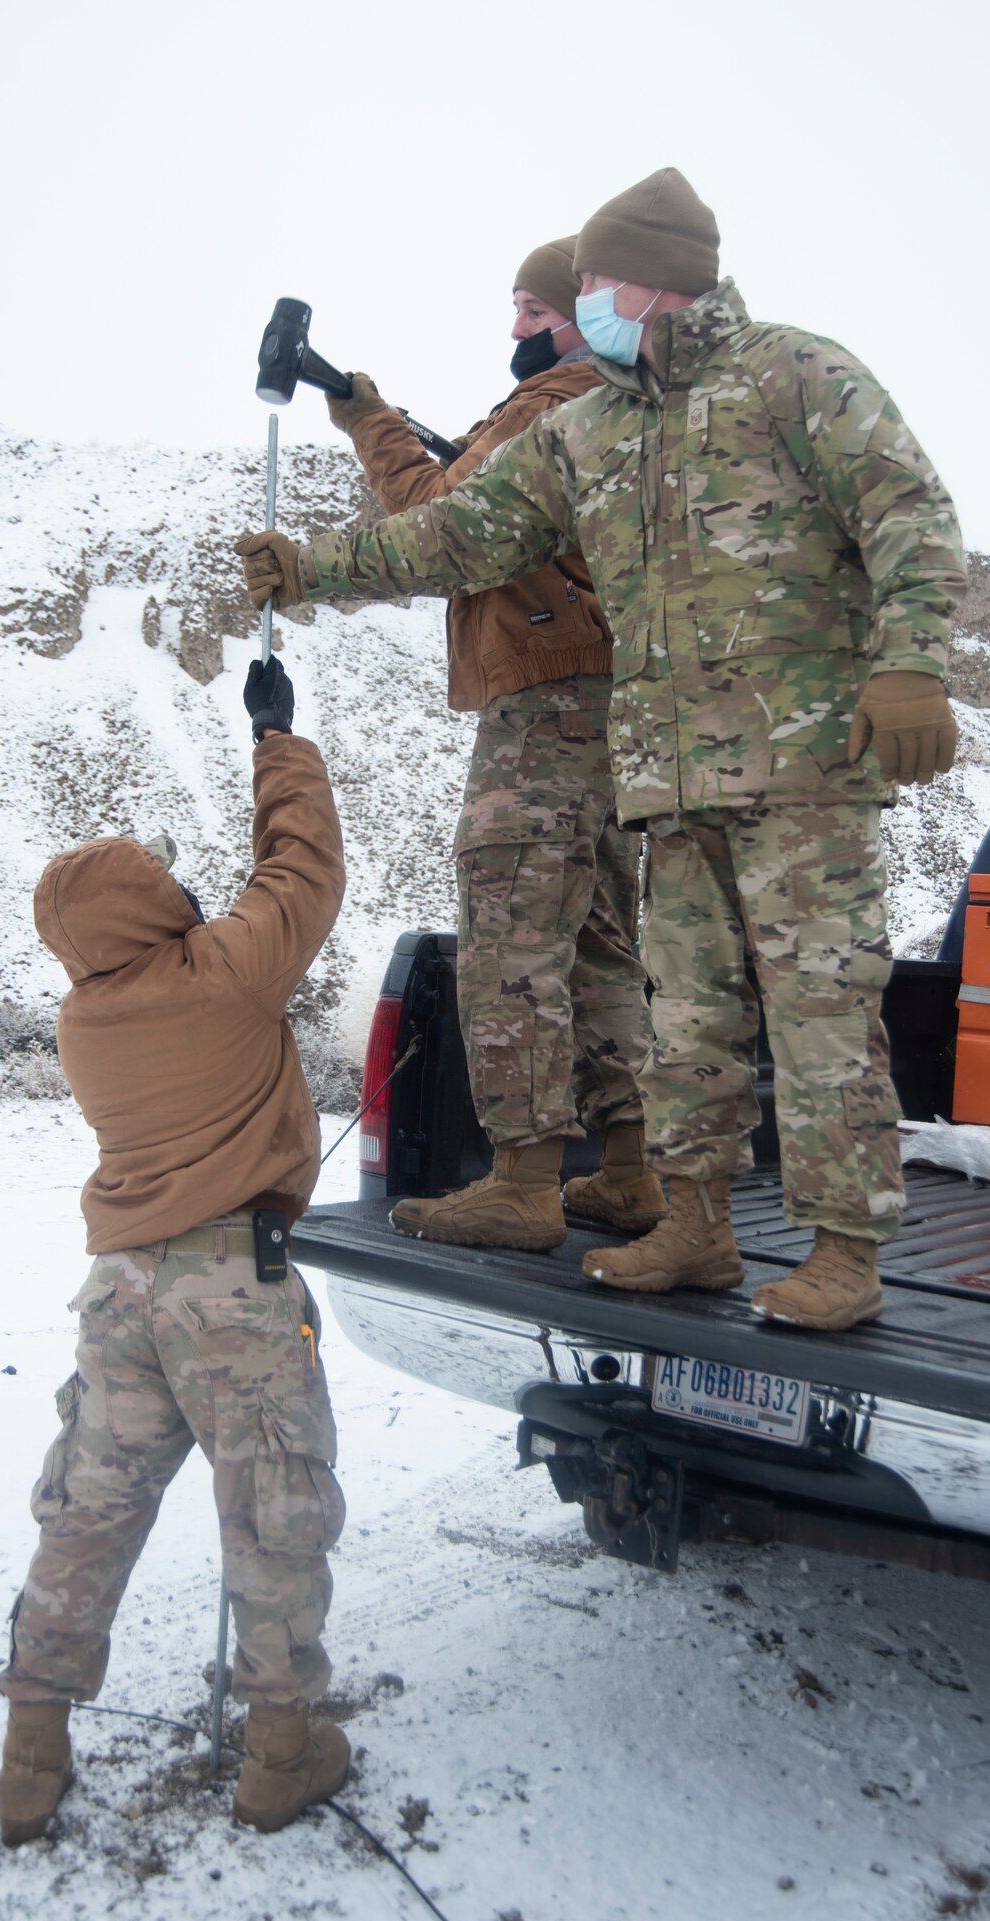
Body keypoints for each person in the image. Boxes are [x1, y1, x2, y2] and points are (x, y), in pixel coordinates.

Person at [240, 169, 967, 1334]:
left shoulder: (797, 374)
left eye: (592, 279)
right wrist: (311, 568)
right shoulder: (588, 427)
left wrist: (913, 661)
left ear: (663, 276)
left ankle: (843, 1250)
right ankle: (695, 1224)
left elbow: (909, 514)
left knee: (822, 1007)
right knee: (690, 1019)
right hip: (664, 777)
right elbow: (459, 532)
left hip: (806, 769)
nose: (579, 298)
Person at [0, 658, 351, 1844]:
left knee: (86, 1512)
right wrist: (276, 741)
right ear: (149, 907)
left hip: (120, 1294)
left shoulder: (83, 1016)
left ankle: (31, 1754)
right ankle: (282, 1749)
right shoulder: (220, 973)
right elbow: (299, 866)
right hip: (226, 1290)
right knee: (273, 1517)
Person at [314, 236, 660, 1252]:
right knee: (598, 935)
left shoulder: (558, 393)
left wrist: (364, 421)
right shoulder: (623, 400)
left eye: (527, 305)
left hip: (548, 697)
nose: (515, 327)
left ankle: (520, 1180)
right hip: (613, 702)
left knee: (511, 925)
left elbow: (438, 517)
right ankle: (632, 1169)